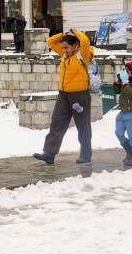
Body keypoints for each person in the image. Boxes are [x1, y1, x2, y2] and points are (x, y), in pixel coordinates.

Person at [33, 28, 95, 166]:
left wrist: (76, 32)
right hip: (64, 94)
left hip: (80, 95)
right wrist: (63, 35)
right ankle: (49, 153)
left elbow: (85, 41)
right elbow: (50, 42)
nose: (64, 50)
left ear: (75, 46)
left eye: (67, 47)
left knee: (83, 125)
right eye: (63, 48)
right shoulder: (65, 54)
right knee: (57, 123)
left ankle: (86, 155)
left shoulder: (83, 55)